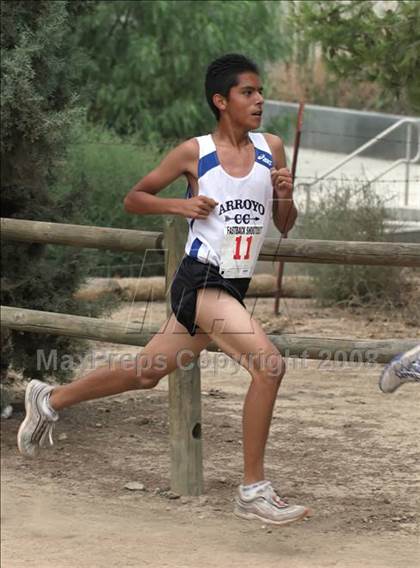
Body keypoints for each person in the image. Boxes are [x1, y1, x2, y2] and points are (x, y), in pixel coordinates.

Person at [17, 53, 309, 526]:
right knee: (269, 366)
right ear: (221, 100)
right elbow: (134, 198)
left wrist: (285, 192)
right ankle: (253, 490)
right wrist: (182, 205)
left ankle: (48, 399)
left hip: (232, 287)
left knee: (145, 371)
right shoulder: (194, 152)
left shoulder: (271, 147)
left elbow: (285, 224)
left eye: (259, 92)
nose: (259, 100)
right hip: (200, 281)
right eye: (247, 92)